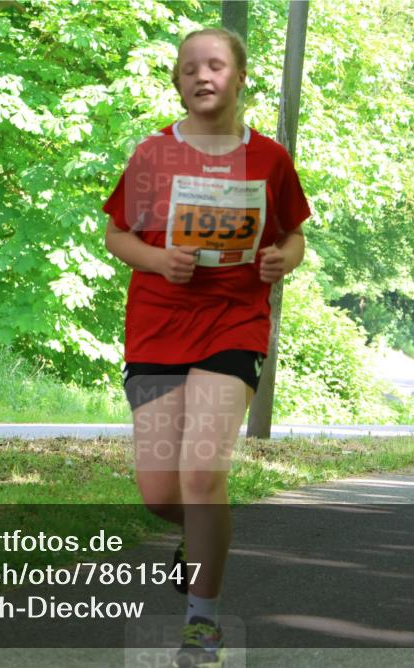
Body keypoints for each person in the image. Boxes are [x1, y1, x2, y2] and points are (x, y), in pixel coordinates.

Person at [103, 26, 310, 668]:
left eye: (215, 65)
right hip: (158, 326)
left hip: (234, 323)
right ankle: (199, 538)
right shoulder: (153, 154)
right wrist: (159, 260)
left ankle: (203, 622)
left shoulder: (269, 159)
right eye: (190, 67)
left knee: (201, 473)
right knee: (161, 493)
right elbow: (116, 236)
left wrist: (282, 259)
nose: (202, 76)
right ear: (177, 80)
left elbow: (294, 236)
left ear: (239, 77)